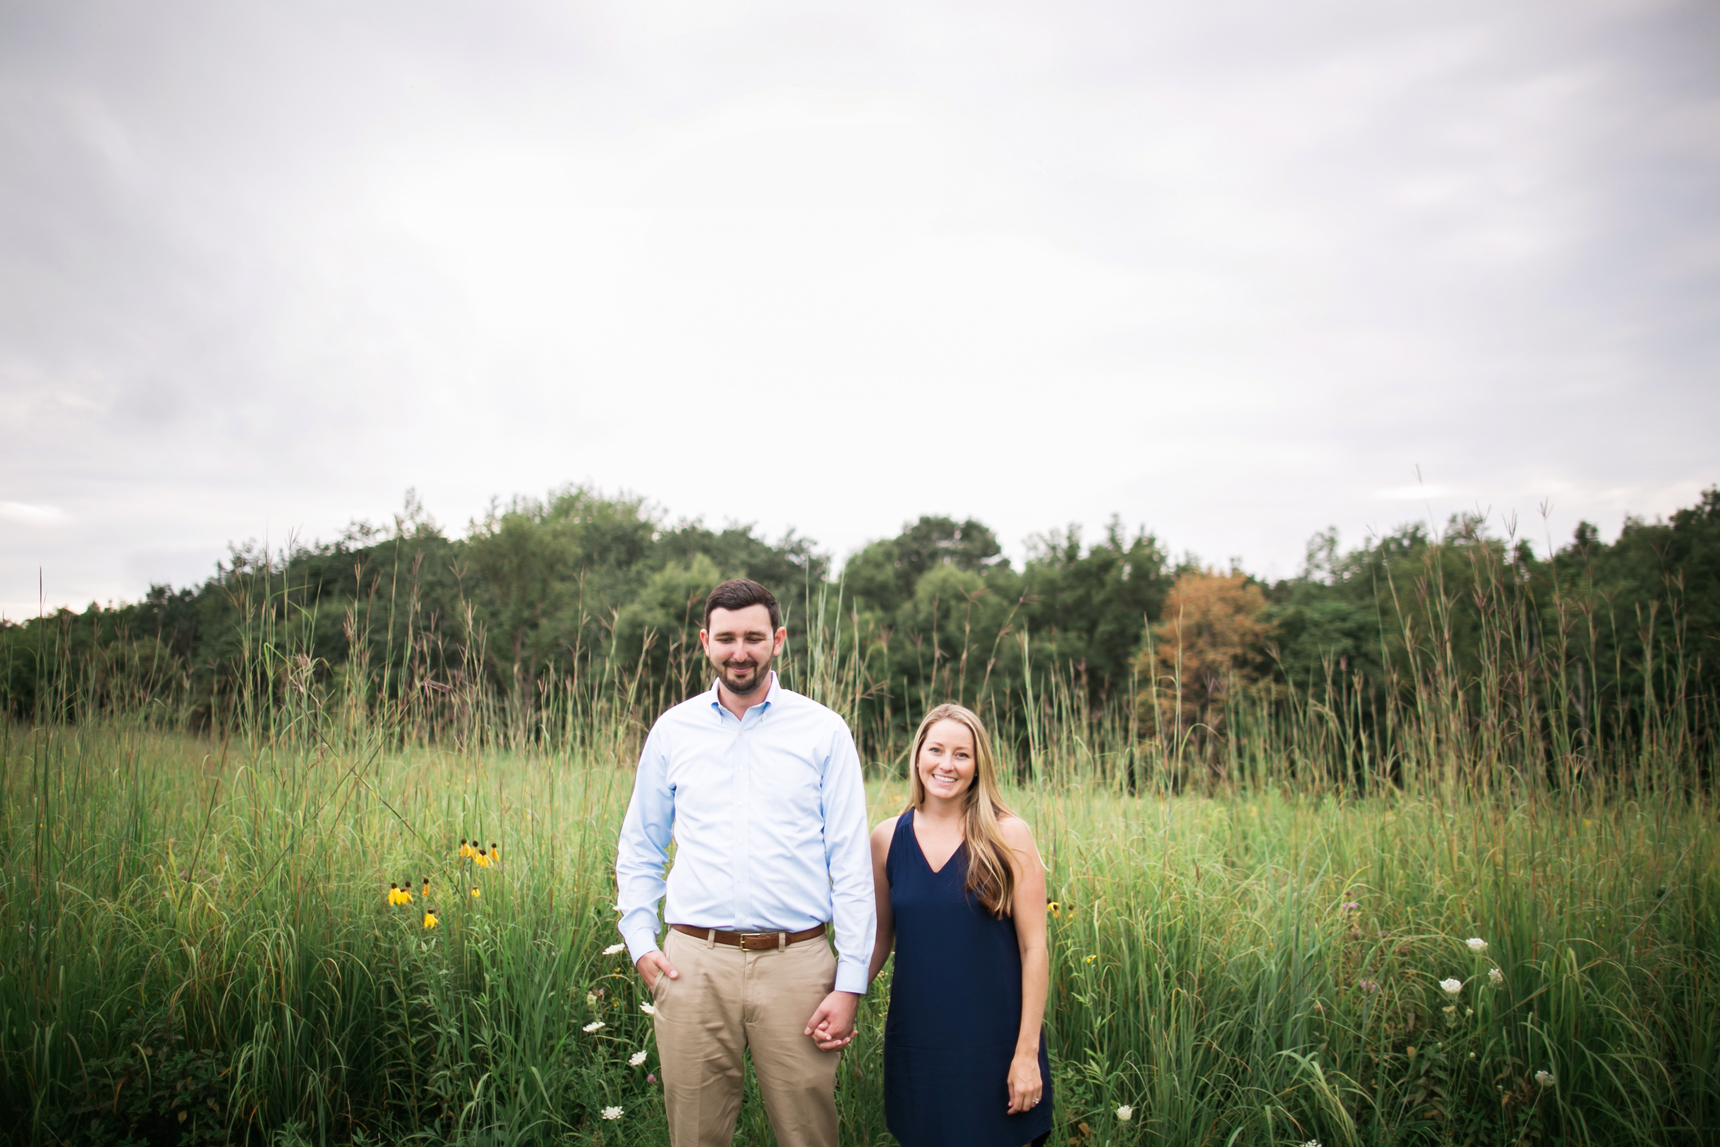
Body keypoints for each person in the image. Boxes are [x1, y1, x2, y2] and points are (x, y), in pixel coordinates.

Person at [615, 578, 875, 1147]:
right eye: (727, 638)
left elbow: (851, 864)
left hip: (799, 967)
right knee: (695, 1136)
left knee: (809, 1135)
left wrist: (850, 983)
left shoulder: (824, 731)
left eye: (754, 637)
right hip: (692, 966)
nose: (740, 652)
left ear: (777, 640)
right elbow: (641, 845)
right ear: (705, 641)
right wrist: (639, 938)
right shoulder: (672, 731)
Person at [868, 703, 1053, 1147]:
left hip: (997, 1046)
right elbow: (879, 938)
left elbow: (1034, 949)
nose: (946, 765)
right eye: (936, 750)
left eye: (962, 755)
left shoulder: (1009, 836)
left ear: (978, 765)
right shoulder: (887, 838)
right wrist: (838, 996)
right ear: (917, 757)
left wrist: (1026, 1054)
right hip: (918, 1045)